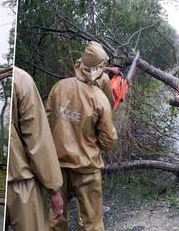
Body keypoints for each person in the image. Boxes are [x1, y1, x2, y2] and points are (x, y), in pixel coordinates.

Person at [47, 41, 118, 231]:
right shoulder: (100, 98)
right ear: (99, 69)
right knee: (91, 224)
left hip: (57, 169)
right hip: (87, 170)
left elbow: (46, 122)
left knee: (55, 220)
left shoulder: (58, 87)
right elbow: (109, 141)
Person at [6, 67, 64, 231]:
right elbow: (37, 140)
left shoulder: (57, 87)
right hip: (23, 184)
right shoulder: (22, 80)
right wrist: (54, 188)